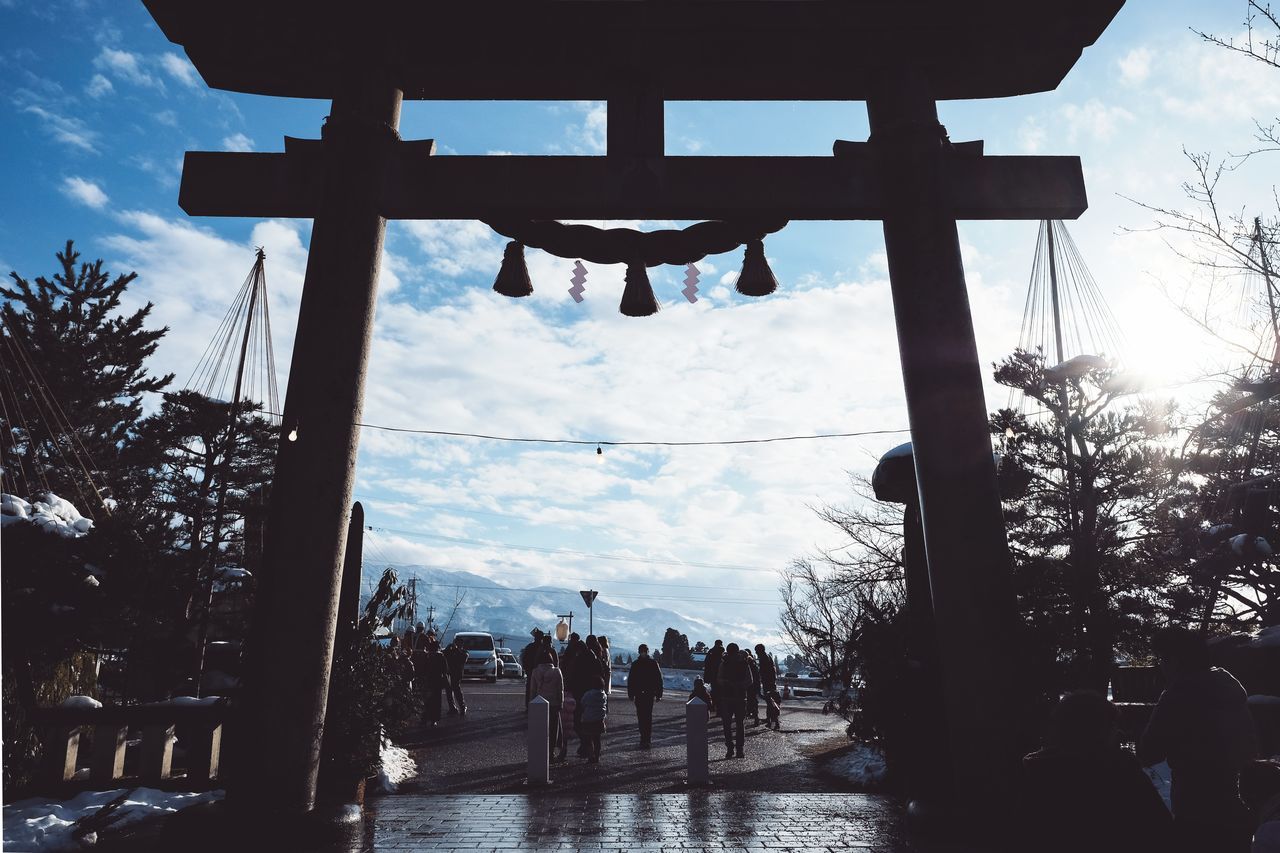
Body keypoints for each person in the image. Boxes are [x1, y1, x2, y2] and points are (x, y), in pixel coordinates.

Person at [1139, 627, 1258, 852]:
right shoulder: (1229, 687)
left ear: (1176, 660)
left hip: (1197, 807)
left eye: (1163, 658)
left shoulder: (1178, 694)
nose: (1160, 666)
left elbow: (1148, 751)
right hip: (1243, 802)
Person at [1021, 690, 1172, 853]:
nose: (1119, 732)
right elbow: (1161, 829)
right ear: (1101, 730)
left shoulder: (1038, 773)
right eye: (1113, 725)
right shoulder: (1121, 773)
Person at [716, 643, 752, 759]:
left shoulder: (724, 663)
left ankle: (730, 749)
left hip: (727, 697)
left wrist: (726, 683)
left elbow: (719, 679)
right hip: (740, 697)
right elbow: (749, 680)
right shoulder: (744, 663)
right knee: (739, 725)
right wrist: (740, 685)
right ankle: (739, 749)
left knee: (728, 724)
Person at [530, 650, 565, 761]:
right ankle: (551, 753)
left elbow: (533, 690)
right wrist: (561, 702)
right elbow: (561, 690)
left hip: (539, 703)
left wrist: (531, 704)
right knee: (553, 730)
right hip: (554, 703)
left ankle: (540, 753)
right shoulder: (557, 671)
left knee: (540, 729)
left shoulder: (535, 672)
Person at [627, 643, 664, 748]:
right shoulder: (648, 663)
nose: (643, 653)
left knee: (645, 717)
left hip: (646, 694)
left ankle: (646, 739)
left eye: (644, 651)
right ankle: (644, 738)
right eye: (642, 651)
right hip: (644, 694)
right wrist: (631, 693)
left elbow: (658, 679)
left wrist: (659, 693)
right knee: (643, 717)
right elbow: (631, 680)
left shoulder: (643, 664)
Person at [413, 636, 449, 728]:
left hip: (428, 681)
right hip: (437, 682)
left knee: (427, 700)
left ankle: (425, 718)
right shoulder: (441, 657)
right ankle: (434, 719)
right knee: (436, 701)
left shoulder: (427, 656)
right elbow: (445, 670)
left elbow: (423, 669)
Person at [579, 673, 608, 764]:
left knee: (588, 739)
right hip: (599, 719)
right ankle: (597, 755)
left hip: (588, 719)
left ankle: (591, 756)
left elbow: (582, 703)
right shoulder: (603, 695)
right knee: (597, 739)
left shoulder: (588, 694)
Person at [756, 644, 781, 730]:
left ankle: (773, 722)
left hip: (768, 684)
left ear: (759, 651)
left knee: (770, 703)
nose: (756, 652)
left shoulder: (763, 659)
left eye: (756, 651)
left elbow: (763, 672)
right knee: (771, 703)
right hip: (771, 683)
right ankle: (771, 722)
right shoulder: (768, 656)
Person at [443, 639, 468, 716]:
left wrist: (456, 649)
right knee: (449, 690)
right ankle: (452, 708)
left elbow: (463, 658)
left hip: (457, 673)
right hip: (449, 672)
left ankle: (462, 707)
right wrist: (448, 647)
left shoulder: (464, 652)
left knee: (456, 689)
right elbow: (443, 654)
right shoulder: (450, 651)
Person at [521, 629, 545, 707]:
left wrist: (527, 669)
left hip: (531, 671)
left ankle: (529, 706)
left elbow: (524, 659)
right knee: (541, 690)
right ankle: (540, 707)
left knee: (530, 689)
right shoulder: (544, 648)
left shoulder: (530, 647)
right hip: (541, 673)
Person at [702, 640, 724, 712]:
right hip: (720, 674)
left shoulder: (711, 652)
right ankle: (719, 707)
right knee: (720, 691)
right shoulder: (721, 651)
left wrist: (707, 676)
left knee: (714, 690)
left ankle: (713, 705)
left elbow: (707, 664)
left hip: (712, 674)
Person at [745, 651, 761, 726]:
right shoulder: (754, 664)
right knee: (754, 701)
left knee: (749, 701)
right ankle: (755, 717)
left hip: (749, 686)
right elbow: (757, 677)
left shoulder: (746, 665)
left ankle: (751, 715)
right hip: (753, 686)